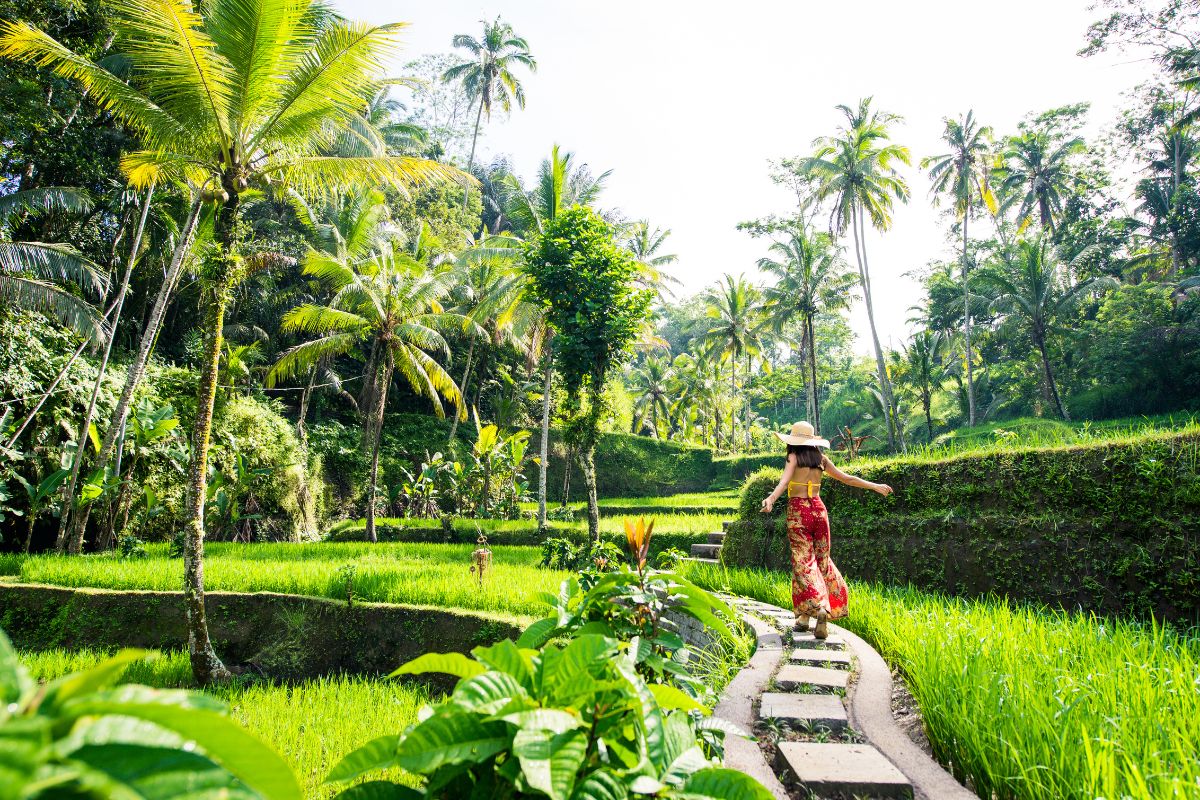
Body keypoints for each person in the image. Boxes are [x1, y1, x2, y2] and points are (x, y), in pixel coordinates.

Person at [760, 421, 892, 639]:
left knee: (803, 561)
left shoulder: (793, 457)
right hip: (820, 512)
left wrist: (771, 499)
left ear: (793, 441)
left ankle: (820, 606)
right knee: (821, 561)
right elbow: (847, 478)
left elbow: (784, 482)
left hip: (799, 512)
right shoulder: (821, 459)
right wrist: (874, 486)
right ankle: (804, 618)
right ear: (812, 441)